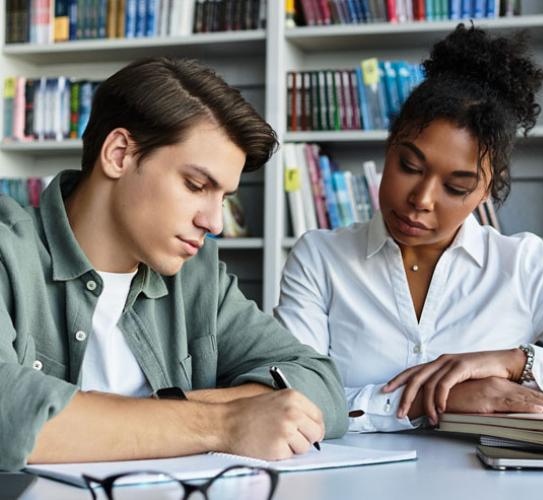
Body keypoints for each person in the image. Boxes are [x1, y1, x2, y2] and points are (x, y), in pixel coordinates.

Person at [0, 57, 348, 471]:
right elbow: (9, 415)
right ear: (119, 154)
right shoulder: (9, 254)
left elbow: (322, 387)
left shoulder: (198, 277)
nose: (214, 222)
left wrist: (153, 413)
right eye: (196, 186)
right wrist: (223, 423)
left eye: (223, 198)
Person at [275, 24, 543, 433]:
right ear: (388, 148)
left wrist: (516, 361)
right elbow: (294, 400)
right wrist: (433, 401)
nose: (422, 199)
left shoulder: (525, 266)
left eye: (456, 187)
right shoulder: (320, 257)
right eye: (409, 167)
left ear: (485, 191)